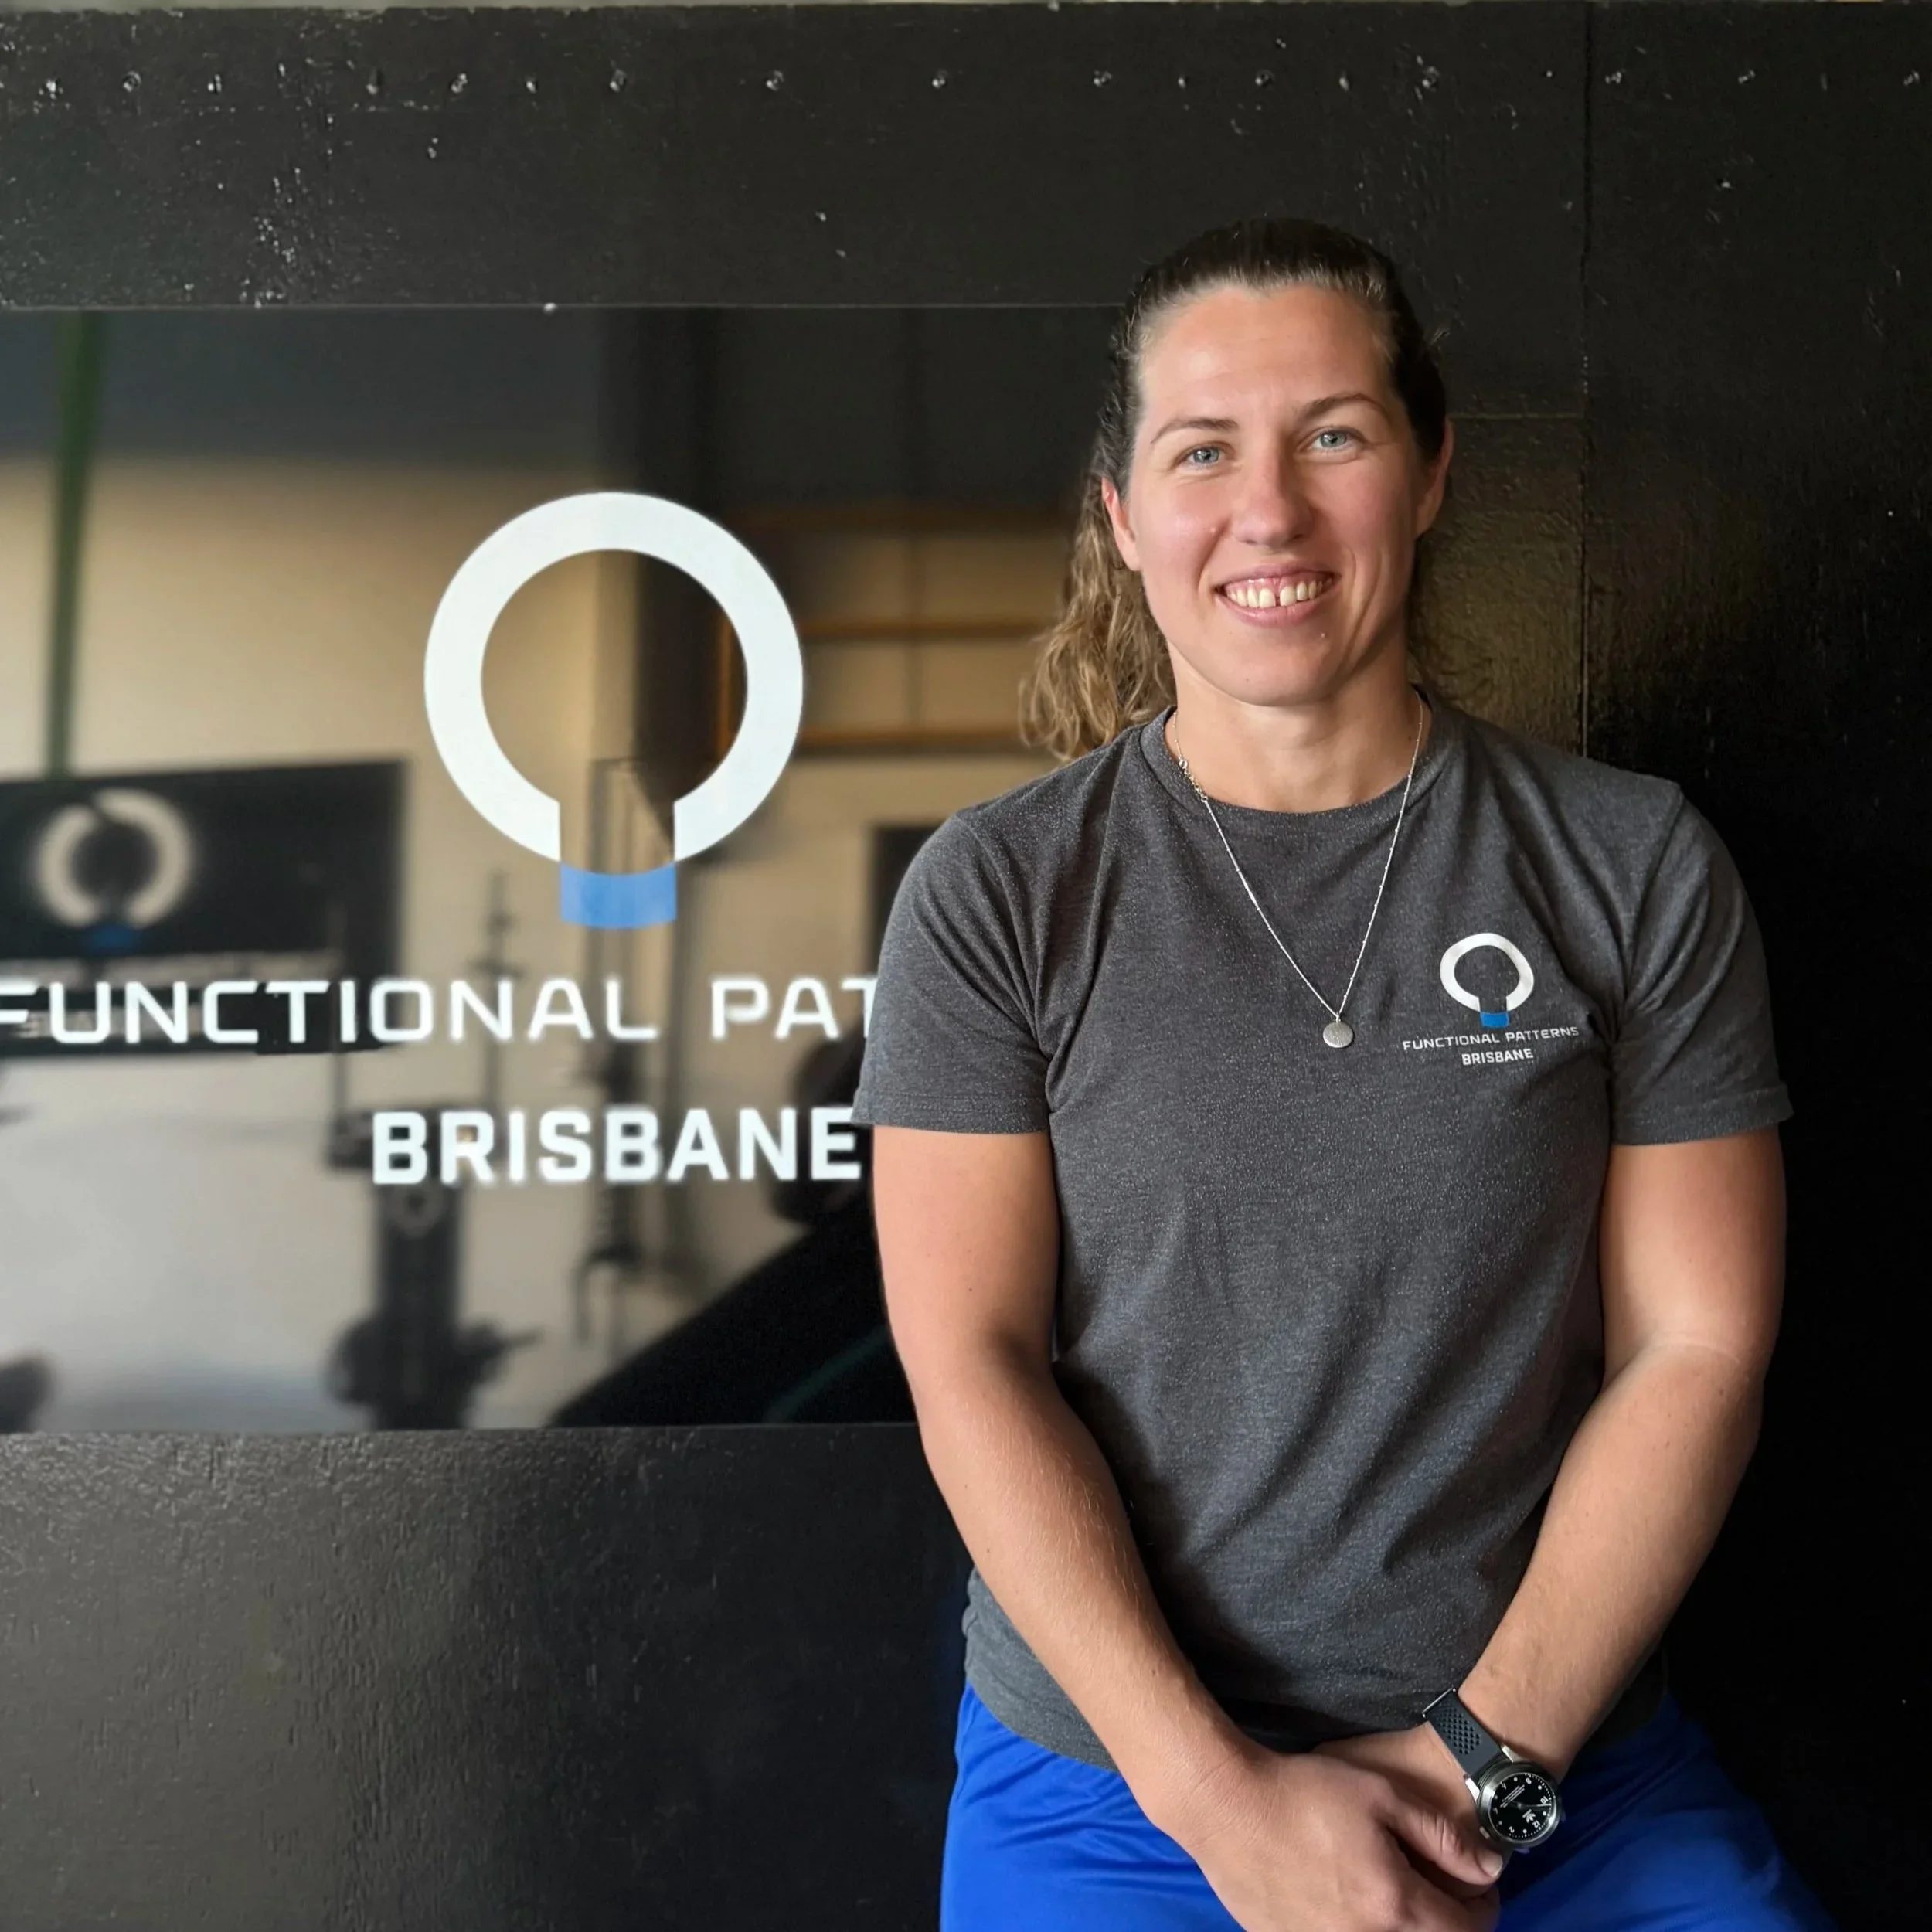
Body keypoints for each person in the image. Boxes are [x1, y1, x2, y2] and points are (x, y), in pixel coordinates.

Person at [848, 217, 1838, 1931]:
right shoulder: (1001, 889)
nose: (1268, 511)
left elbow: (1699, 1343)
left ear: (1430, 470)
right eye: (1202, 450)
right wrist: (1226, 1808)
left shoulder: (1627, 865)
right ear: (1123, 518)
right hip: (1116, 1791)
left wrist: (1477, 1769)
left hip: (1558, 1777)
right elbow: (969, 1361)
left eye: (1332, 435)